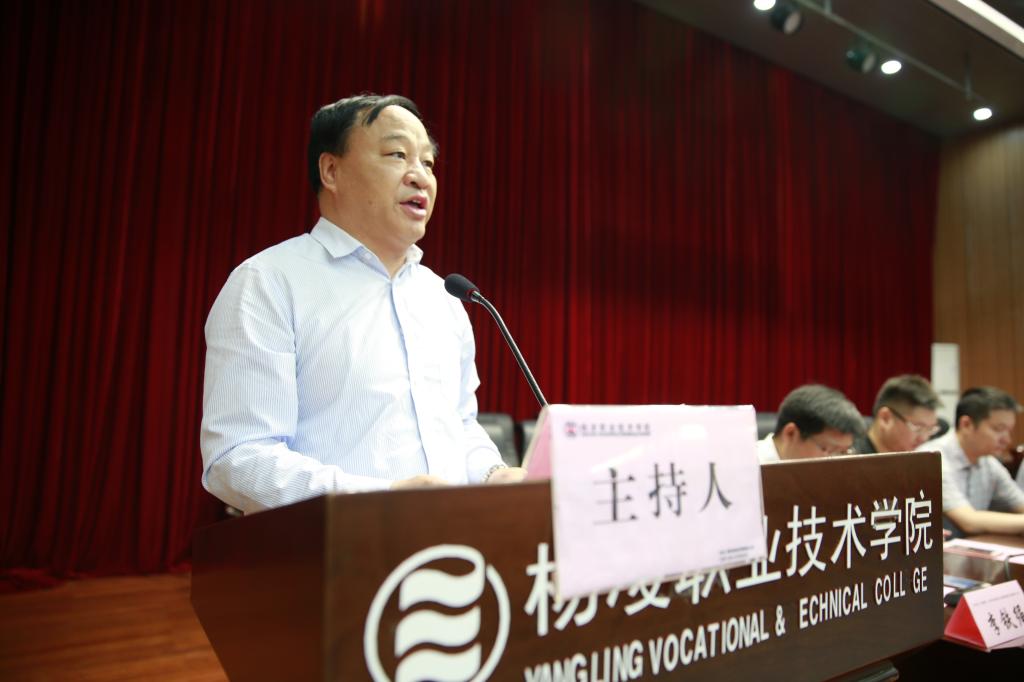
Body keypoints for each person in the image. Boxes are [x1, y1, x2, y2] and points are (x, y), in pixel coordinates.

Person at [200, 94, 524, 514]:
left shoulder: (444, 298)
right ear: (331, 171)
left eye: (428, 162)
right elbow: (239, 457)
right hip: (329, 548)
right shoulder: (268, 283)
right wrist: (379, 500)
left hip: (453, 541)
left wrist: (493, 475)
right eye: (397, 154)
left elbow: (460, 425)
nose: (421, 177)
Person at [917, 387, 1024, 535]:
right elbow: (969, 522)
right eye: (999, 429)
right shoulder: (931, 458)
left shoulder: (988, 462)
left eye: (1009, 431)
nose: (1007, 440)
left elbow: (1019, 503)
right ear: (966, 424)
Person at [756, 384, 864, 463]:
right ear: (791, 433)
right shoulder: (749, 470)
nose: (839, 462)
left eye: (844, 452)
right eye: (829, 450)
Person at [852, 375, 941, 454]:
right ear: (885, 418)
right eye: (918, 427)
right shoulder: (852, 456)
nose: (924, 438)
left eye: (930, 429)